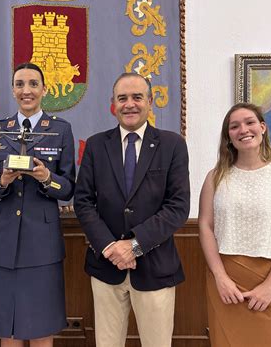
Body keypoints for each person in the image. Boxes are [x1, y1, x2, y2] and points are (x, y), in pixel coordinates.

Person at [74, 73, 190, 347]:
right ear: (112, 104)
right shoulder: (96, 145)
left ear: (150, 102)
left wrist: (134, 246)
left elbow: (178, 206)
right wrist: (110, 248)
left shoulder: (172, 144)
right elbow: (83, 201)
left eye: (137, 97)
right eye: (122, 98)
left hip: (155, 267)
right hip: (106, 266)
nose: (129, 104)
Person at [0, 63, 75, 347]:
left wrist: (47, 178)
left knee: (41, 324)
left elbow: (68, 189)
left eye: (33, 84)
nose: (26, 90)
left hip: (42, 244)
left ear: (44, 90)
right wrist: (3, 182)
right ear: (13, 90)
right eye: (20, 84)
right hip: (3, 241)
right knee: (7, 326)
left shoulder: (60, 130)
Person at [198, 102, 271, 346]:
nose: (243, 130)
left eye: (249, 122)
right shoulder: (215, 178)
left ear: (263, 127)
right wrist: (220, 277)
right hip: (226, 285)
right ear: (229, 136)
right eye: (234, 126)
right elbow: (205, 227)